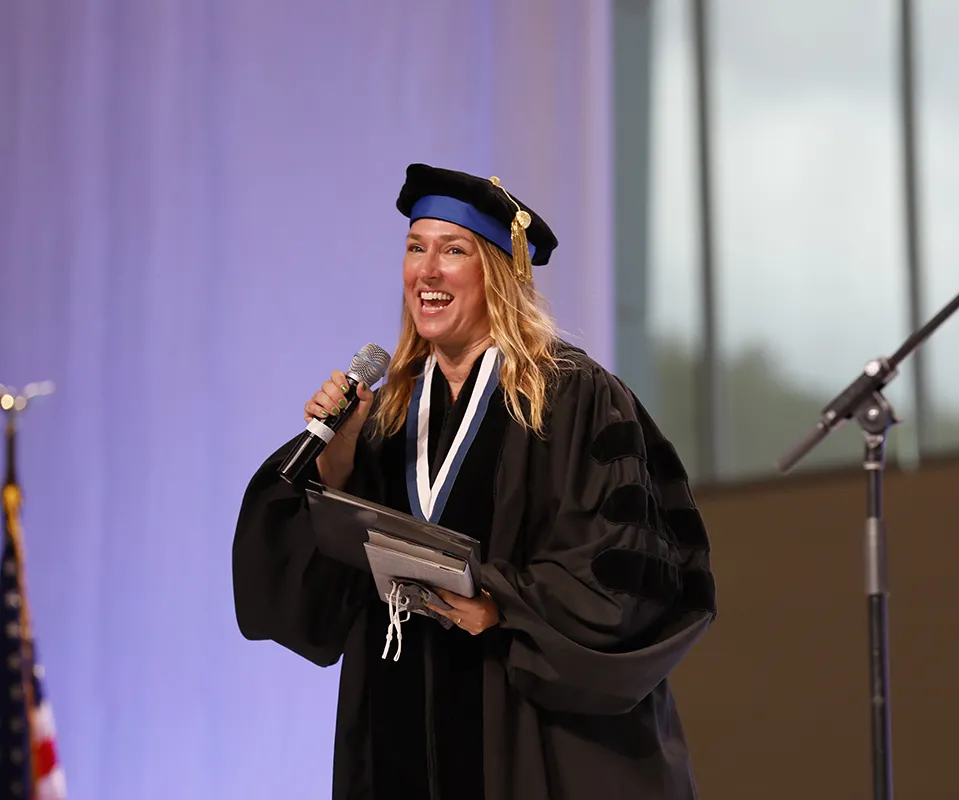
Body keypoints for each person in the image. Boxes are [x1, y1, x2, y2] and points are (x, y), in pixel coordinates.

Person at [232, 164, 717, 800]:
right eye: (415, 247)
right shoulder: (385, 412)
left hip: (527, 732)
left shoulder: (572, 398)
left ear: (497, 271)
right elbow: (319, 587)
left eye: (452, 250)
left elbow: (625, 578)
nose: (425, 271)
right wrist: (338, 459)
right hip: (397, 721)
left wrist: (500, 602)